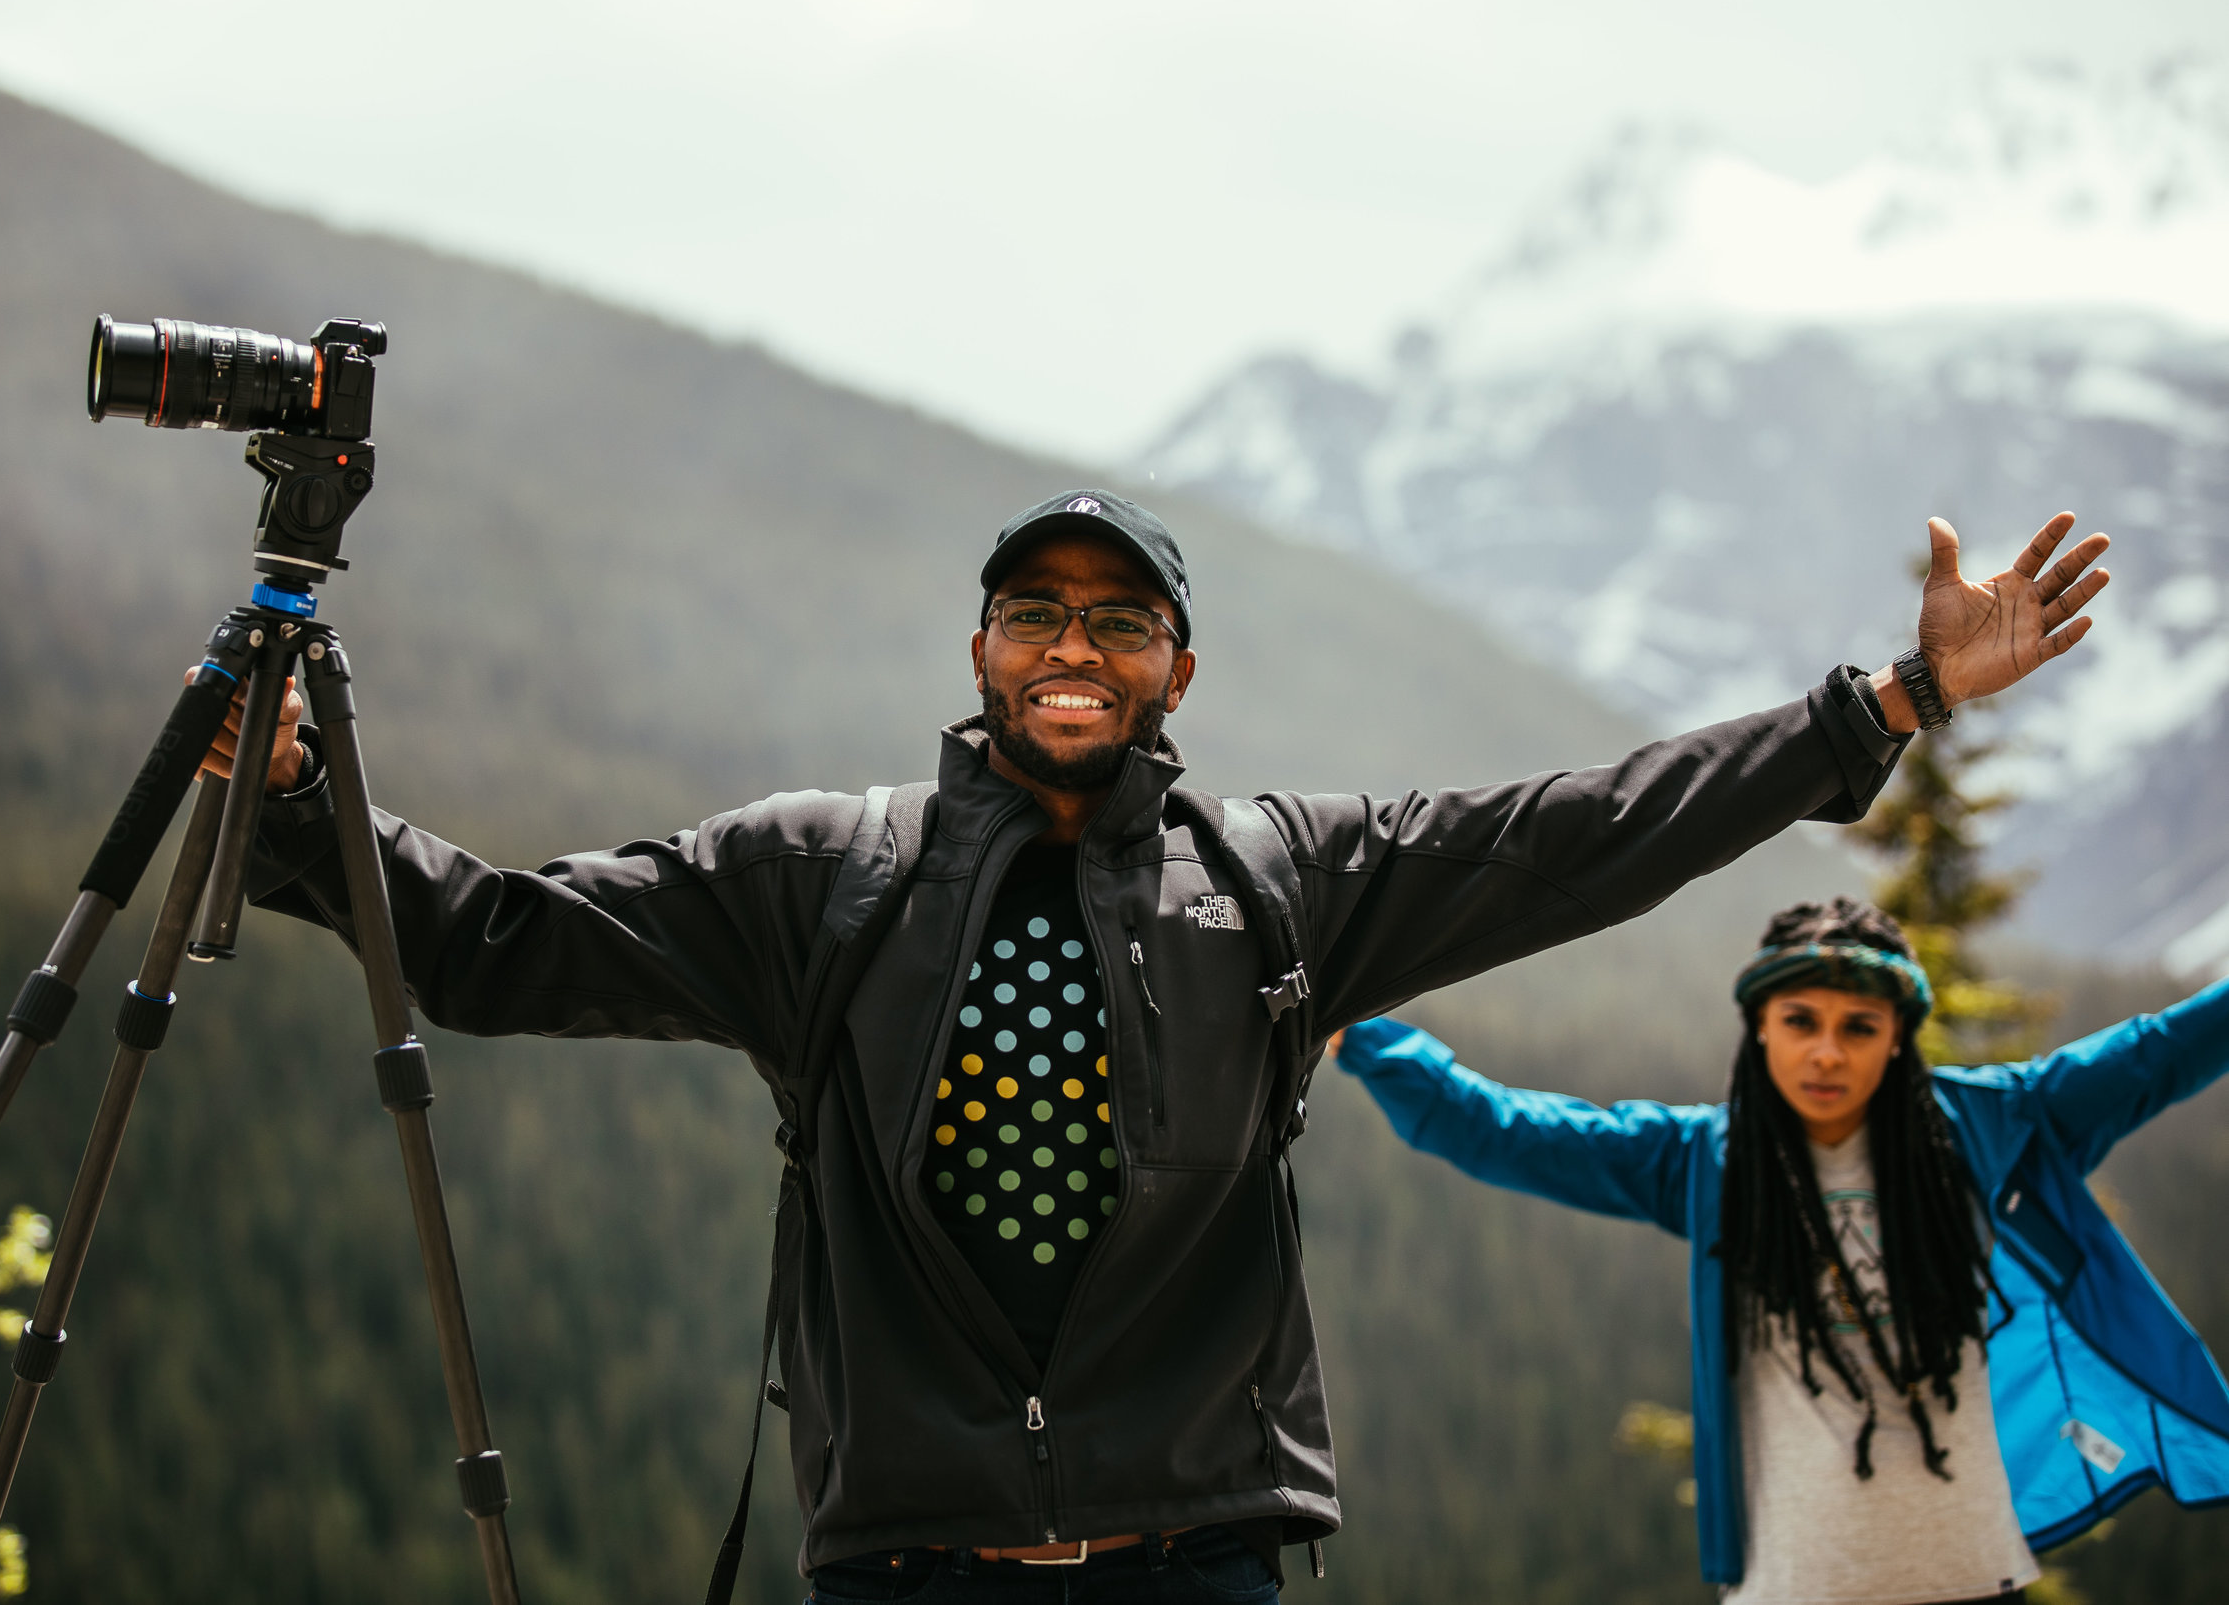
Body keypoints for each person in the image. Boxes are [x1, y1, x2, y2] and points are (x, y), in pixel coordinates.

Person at [205, 490, 2106, 1599]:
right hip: (908, 1556)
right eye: (1035, 609)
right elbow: (493, 939)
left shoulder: (1288, 878)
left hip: (1202, 1552)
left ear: (1177, 668)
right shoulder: (819, 876)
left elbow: (1587, 827)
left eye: (1120, 619)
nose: (1073, 642)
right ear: (978, 648)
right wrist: (297, 802)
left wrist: (1898, 697)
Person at [1335, 898, 2229, 1604]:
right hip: (1792, 1585)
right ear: (1760, 1026)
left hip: (1968, 1574)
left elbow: (2164, 1051)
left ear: (1897, 1036)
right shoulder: (1708, 1160)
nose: (1827, 1052)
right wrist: (1365, 1031)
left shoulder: (1990, 1126)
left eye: (1859, 1026)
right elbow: (1503, 1131)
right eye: (1801, 1021)